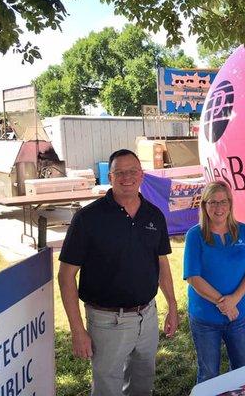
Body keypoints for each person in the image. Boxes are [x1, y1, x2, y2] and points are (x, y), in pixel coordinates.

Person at [58, 149, 178, 396]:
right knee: (107, 389)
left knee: (143, 383)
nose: (127, 177)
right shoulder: (87, 218)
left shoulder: (153, 214)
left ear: (142, 175)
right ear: (109, 177)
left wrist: (173, 307)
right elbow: (66, 276)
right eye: (119, 172)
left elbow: (162, 264)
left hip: (147, 315)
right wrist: (78, 331)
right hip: (106, 321)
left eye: (132, 171)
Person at [183, 181, 245, 383]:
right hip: (205, 318)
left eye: (223, 202)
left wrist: (234, 300)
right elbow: (193, 277)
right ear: (204, 205)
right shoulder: (194, 235)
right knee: (209, 374)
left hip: (238, 315)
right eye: (213, 202)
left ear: (230, 204)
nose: (219, 208)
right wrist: (224, 304)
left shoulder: (244, 231)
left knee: (242, 370)